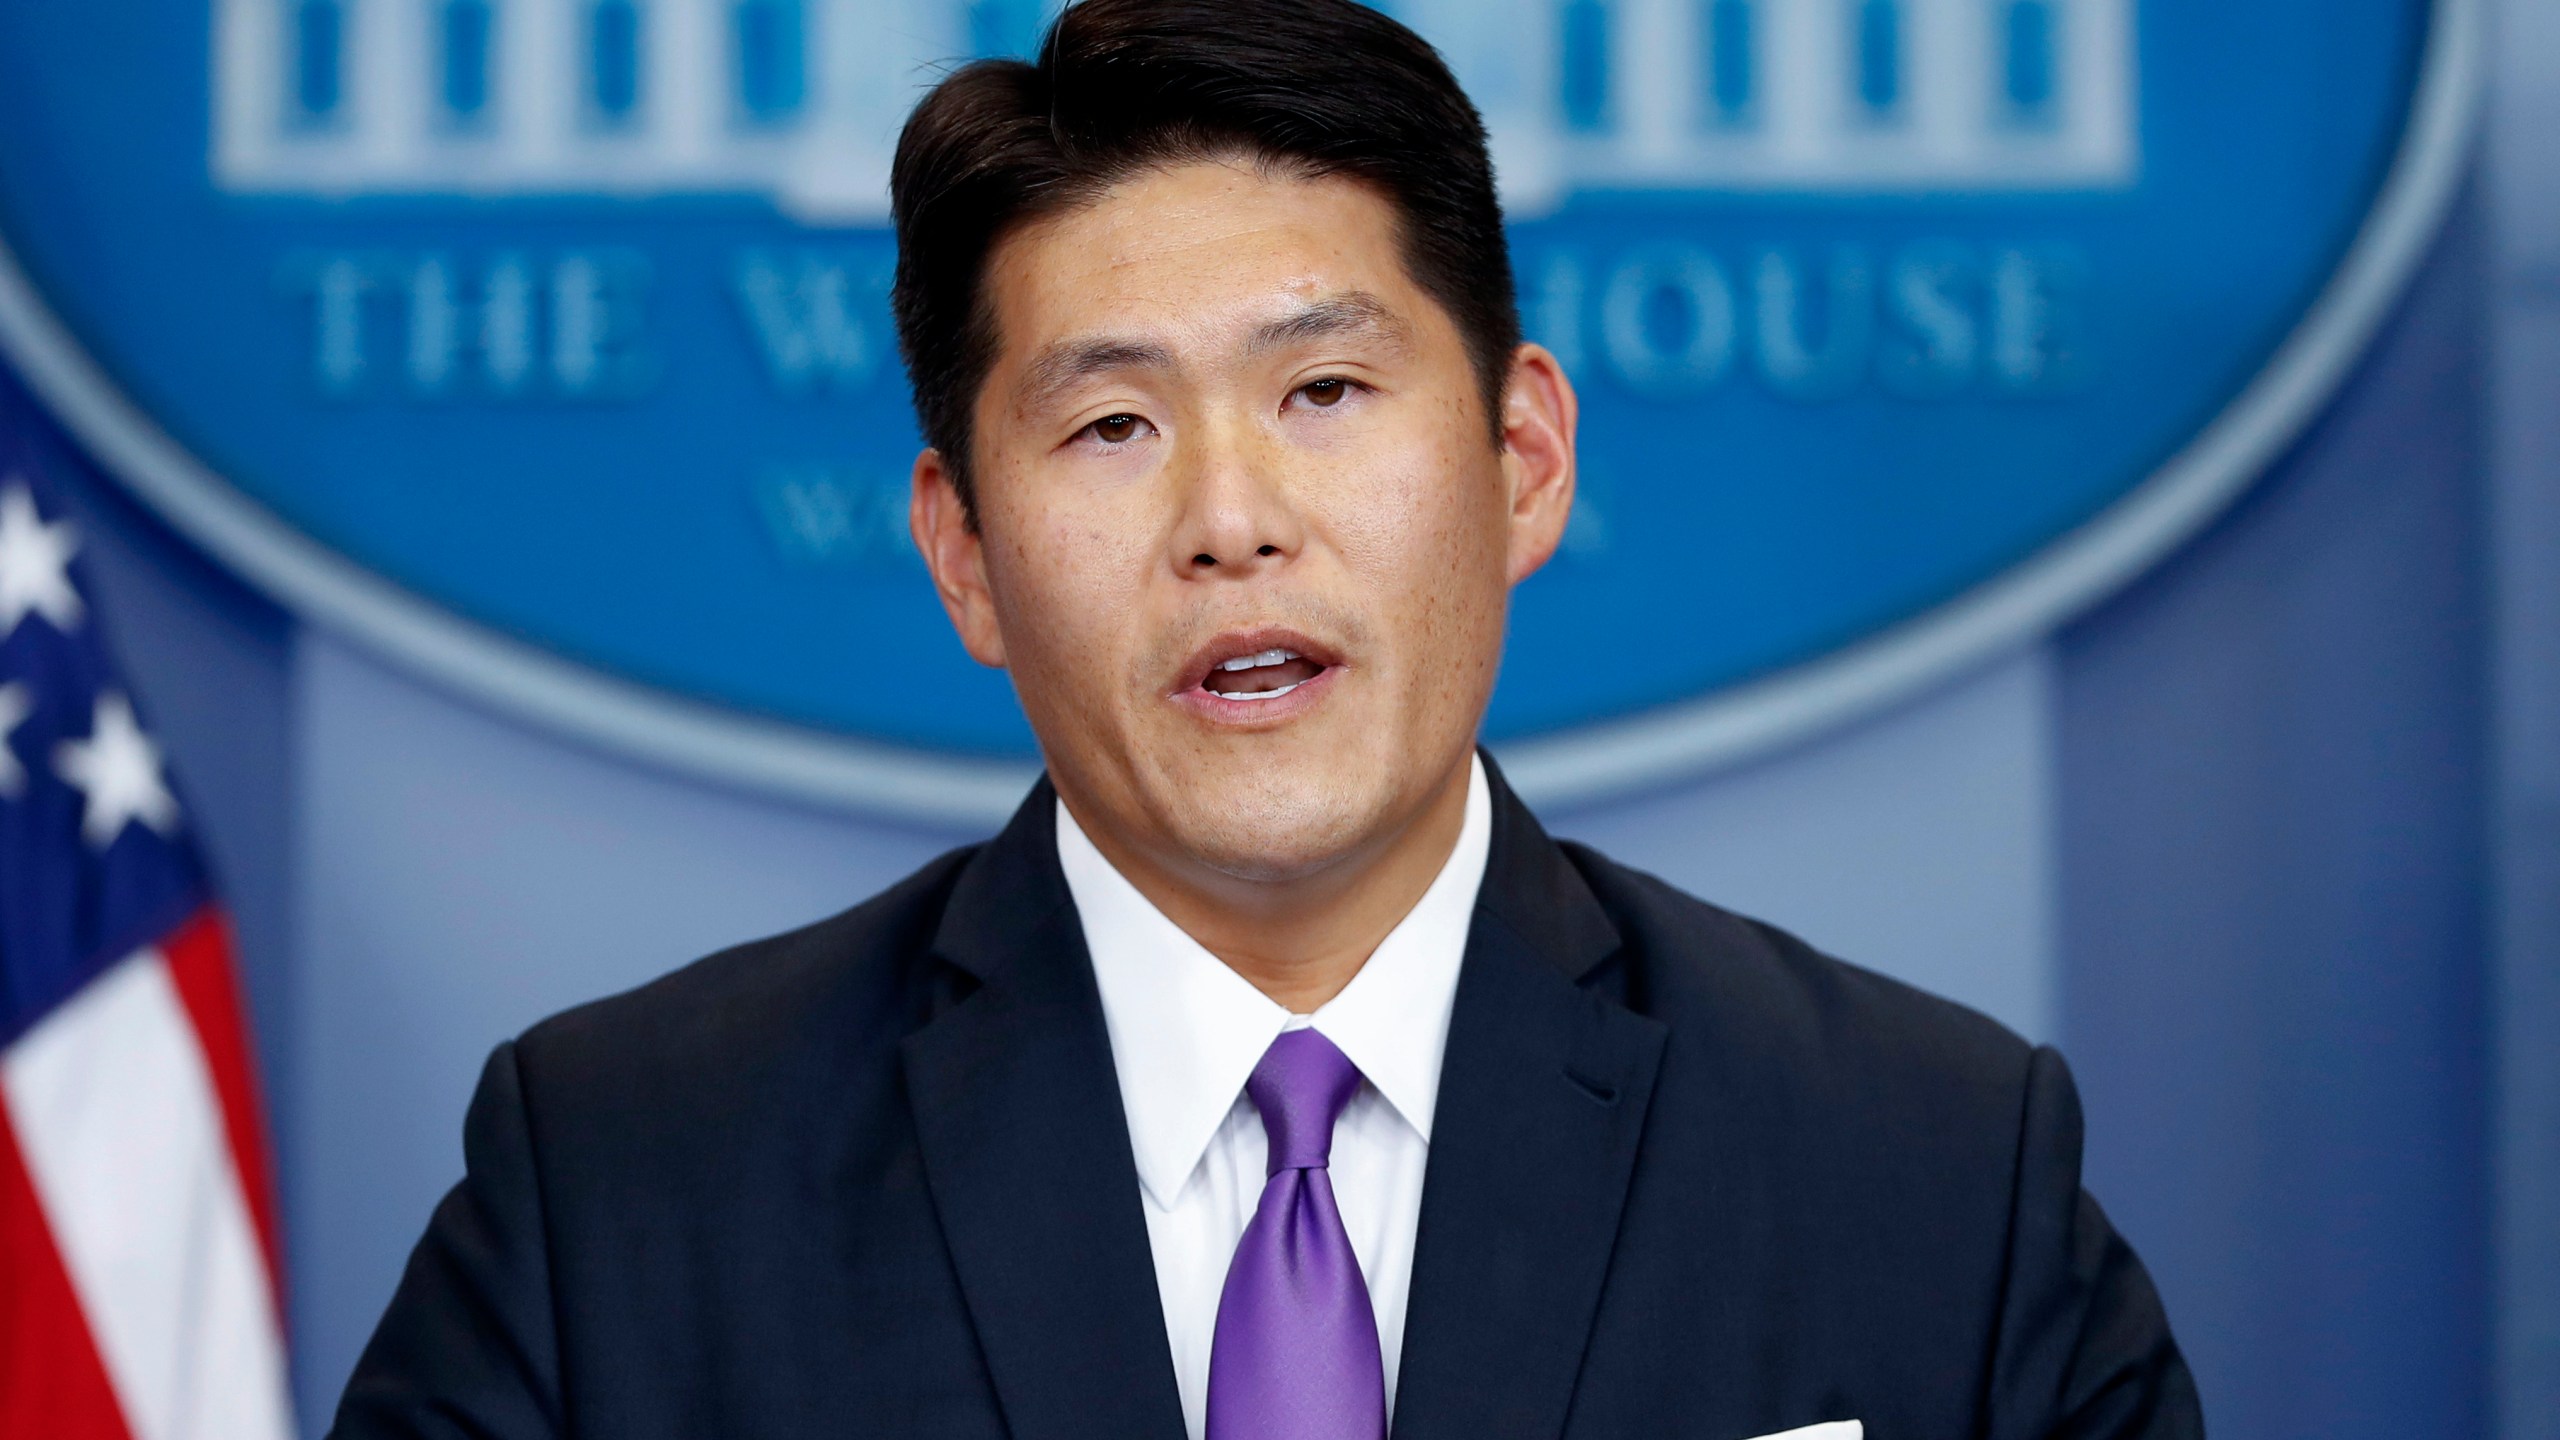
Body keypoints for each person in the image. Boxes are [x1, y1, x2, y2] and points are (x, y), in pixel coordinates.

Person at [332, 1, 2202, 1436]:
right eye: (1112, 426)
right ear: (965, 555)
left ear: (1523, 458)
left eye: (1322, 387)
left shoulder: (1933, 1170)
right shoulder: (624, 1188)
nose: (1231, 516)